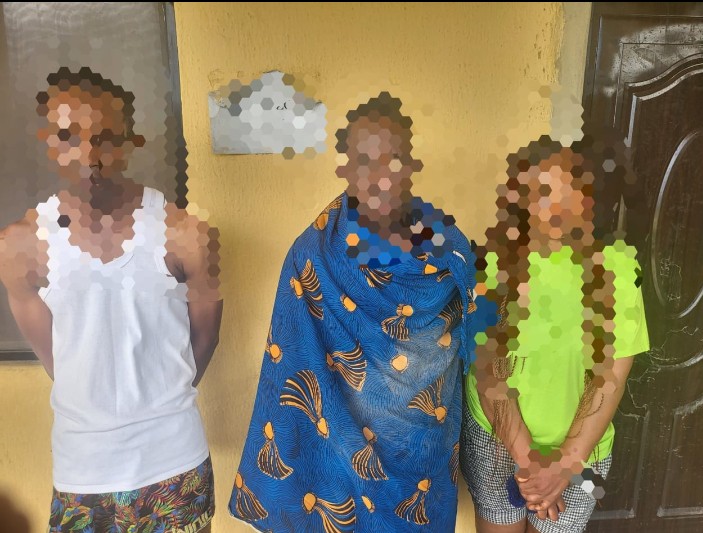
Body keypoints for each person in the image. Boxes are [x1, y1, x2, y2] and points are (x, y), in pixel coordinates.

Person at [229, 92, 477, 532]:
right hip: (338, 459)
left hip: (421, 456)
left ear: (411, 165)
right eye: (364, 161)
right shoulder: (314, 254)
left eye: (392, 160)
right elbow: (291, 359)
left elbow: (474, 347)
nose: (378, 177)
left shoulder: (450, 252)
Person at [0, 67, 222, 533]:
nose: (89, 156)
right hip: (83, 469)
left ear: (129, 142)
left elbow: (203, 340)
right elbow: (57, 360)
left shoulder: (187, 234)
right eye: (68, 137)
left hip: (174, 460)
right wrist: (96, 395)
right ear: (48, 143)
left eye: (104, 138)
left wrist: (158, 399)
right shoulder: (20, 246)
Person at [460, 135, 650, 533]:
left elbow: (612, 378)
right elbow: (487, 371)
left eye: (573, 189)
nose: (561, 206)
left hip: (584, 456)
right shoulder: (492, 265)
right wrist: (530, 462)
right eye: (545, 192)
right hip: (495, 442)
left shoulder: (619, 269)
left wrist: (565, 463)